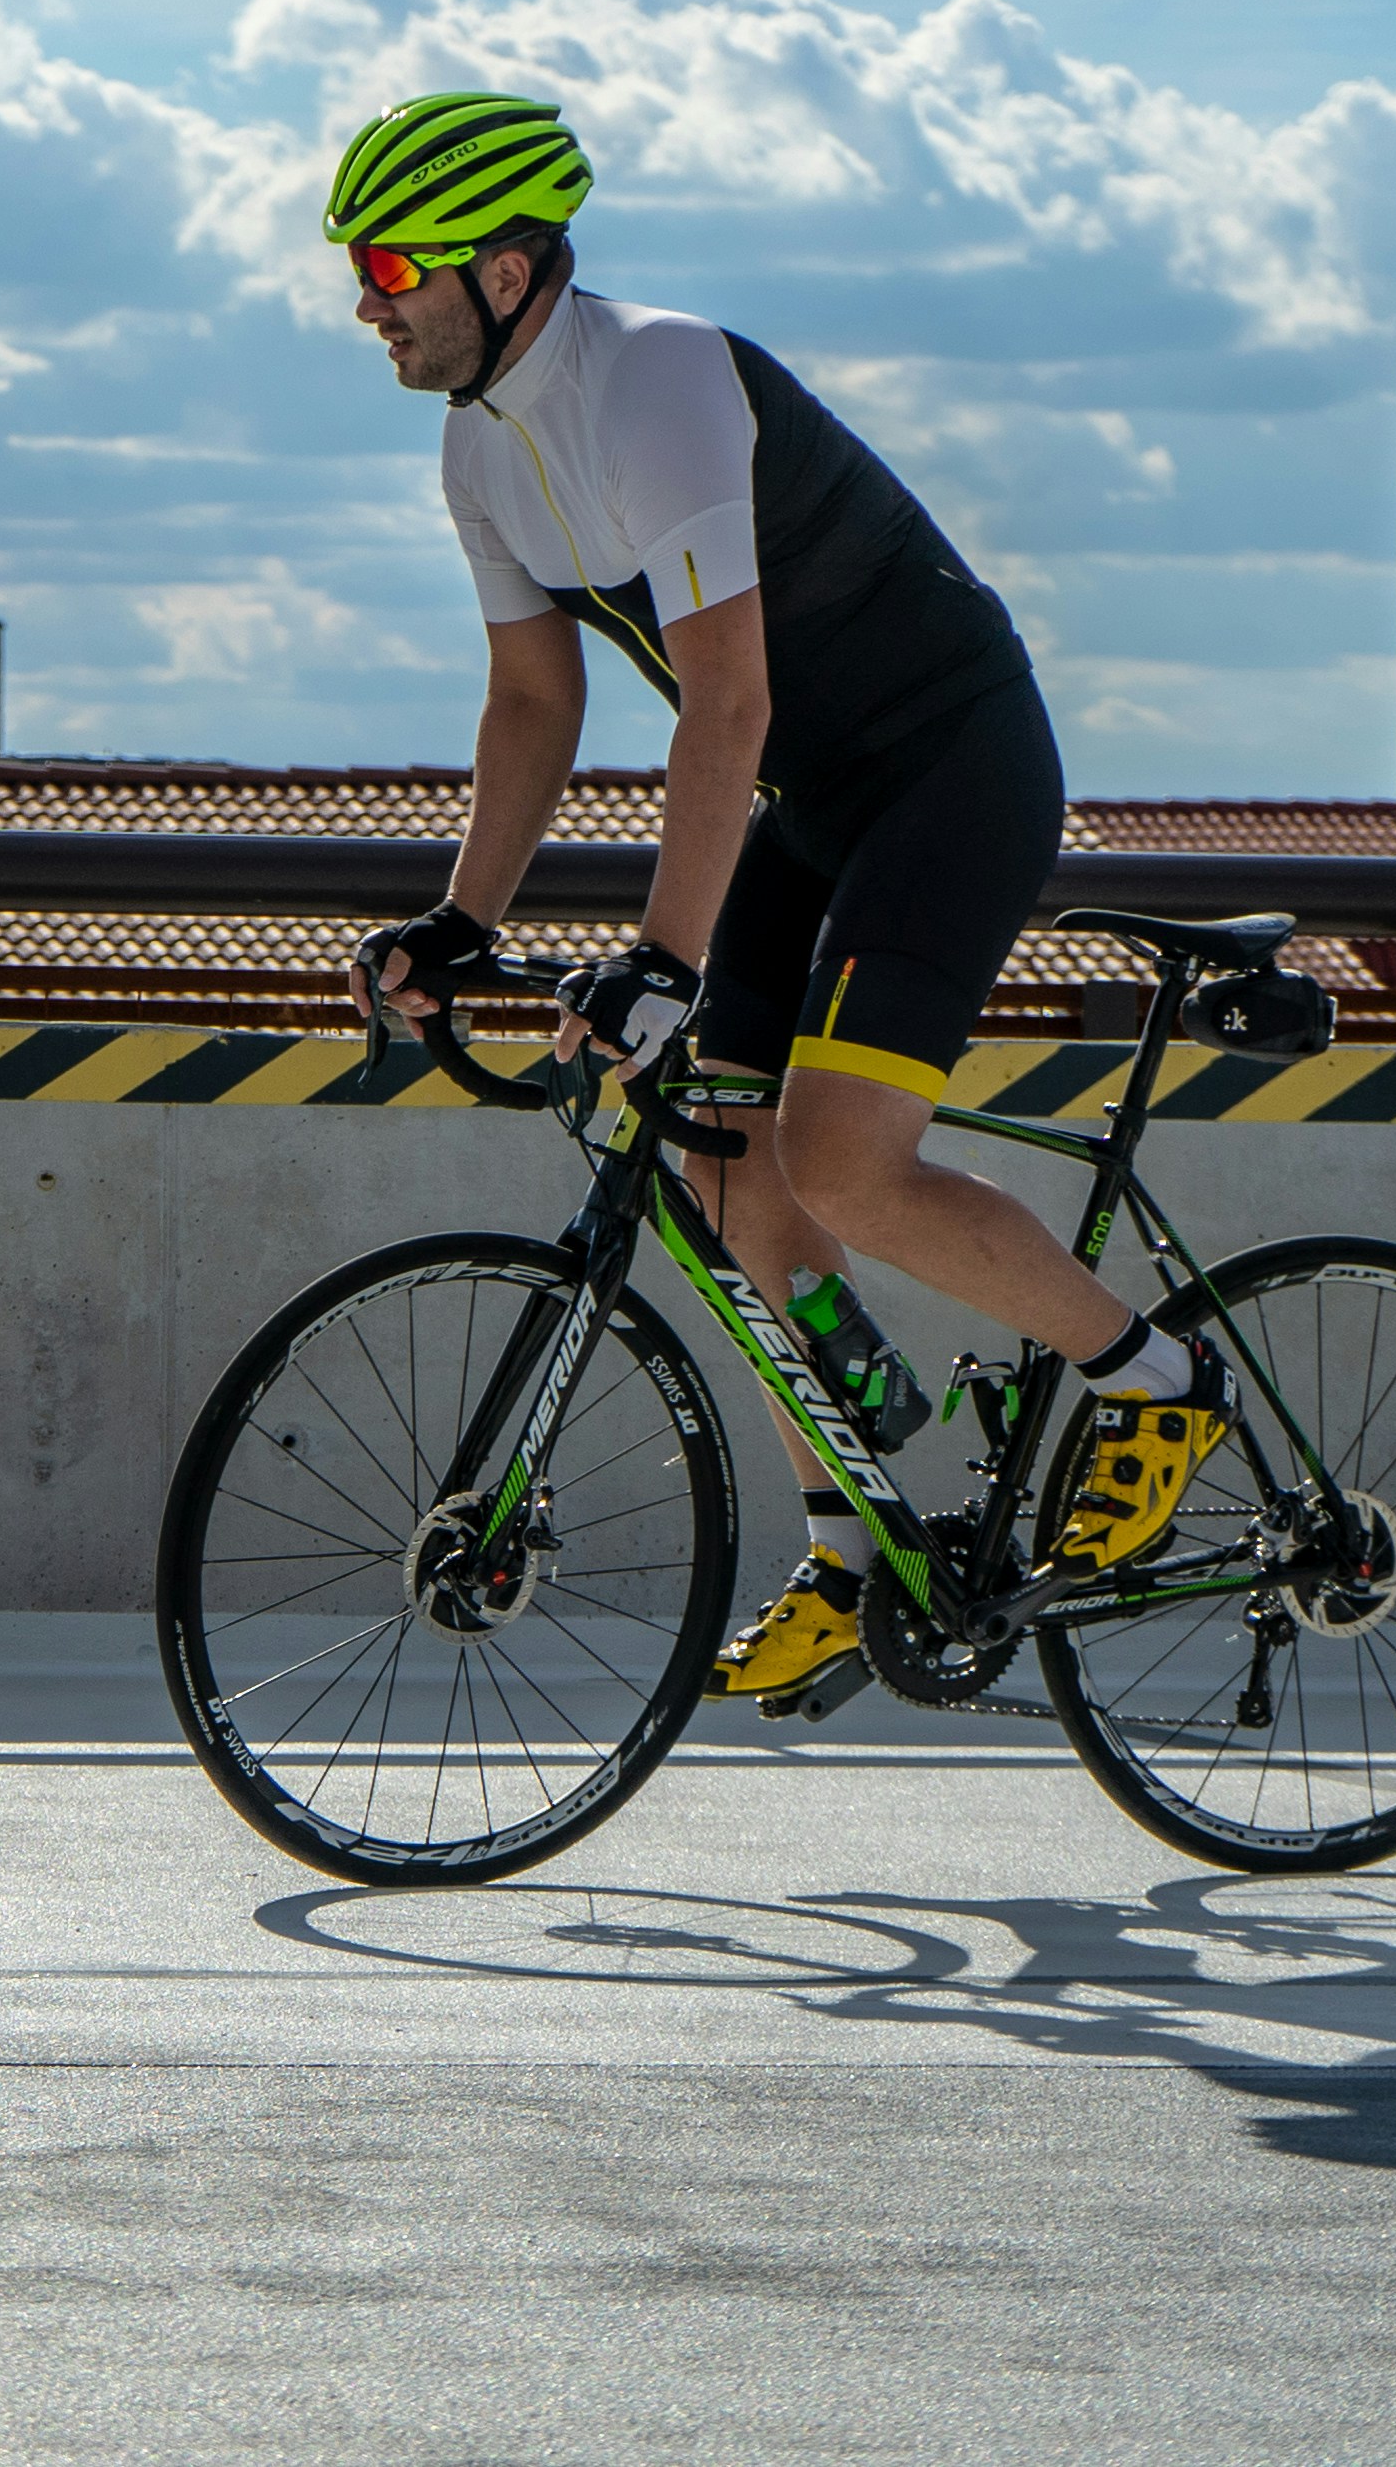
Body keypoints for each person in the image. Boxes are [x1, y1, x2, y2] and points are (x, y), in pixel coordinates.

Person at [326, 91, 1237, 1720]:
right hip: (813, 800)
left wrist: (663, 957)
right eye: (356, 271)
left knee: (840, 1158)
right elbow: (534, 701)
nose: (365, 303)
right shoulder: (479, 446)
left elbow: (724, 698)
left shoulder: (662, 375)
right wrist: (462, 919)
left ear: (510, 269)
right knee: (726, 1167)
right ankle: (857, 1539)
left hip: (951, 763)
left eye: (393, 265)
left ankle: (1157, 1379)